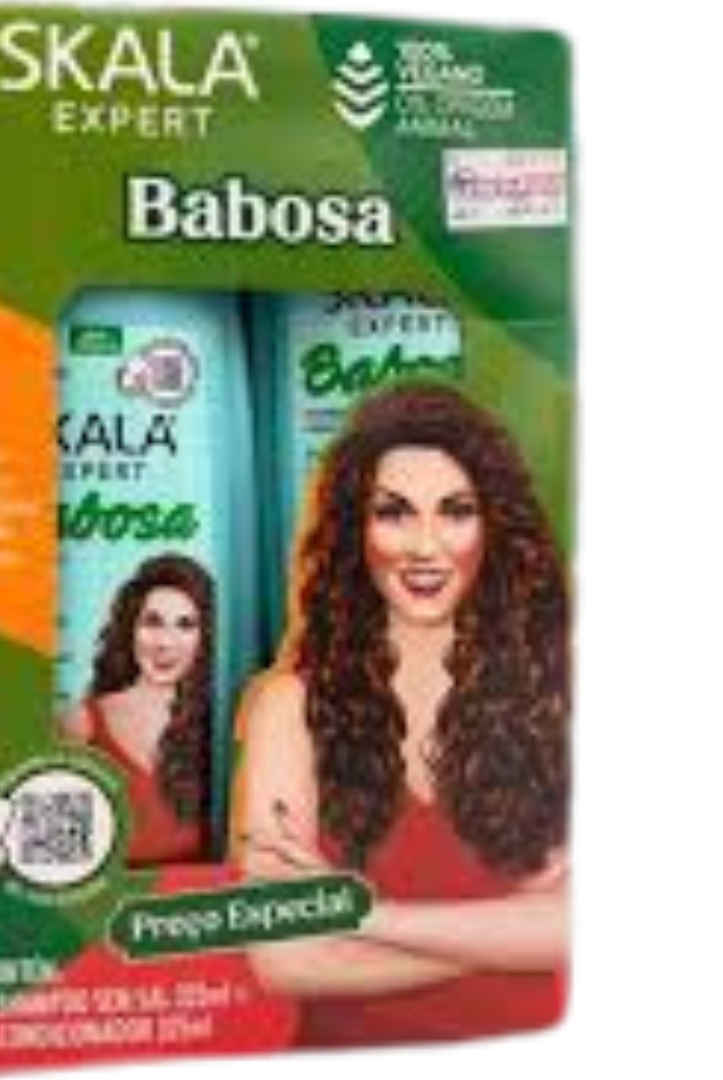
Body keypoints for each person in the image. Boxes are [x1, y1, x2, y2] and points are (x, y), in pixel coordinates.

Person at [232, 382, 571, 1045]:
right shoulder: (288, 707)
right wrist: (512, 932)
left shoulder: (555, 693)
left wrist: (360, 914)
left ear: (494, 525)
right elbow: (285, 958)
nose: (425, 546)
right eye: (394, 513)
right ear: (355, 530)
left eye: (456, 511)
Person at [63, 554, 213, 866]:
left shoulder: (222, 722)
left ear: (206, 638)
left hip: (207, 897)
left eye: (186, 625)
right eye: (152, 622)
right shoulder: (82, 722)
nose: (165, 643)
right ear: (130, 628)